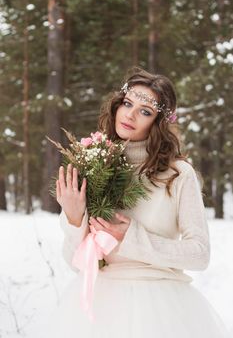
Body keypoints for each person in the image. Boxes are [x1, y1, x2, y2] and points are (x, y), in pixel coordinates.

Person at [44, 68, 231, 338]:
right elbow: (76, 263)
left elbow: (199, 254)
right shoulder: (95, 165)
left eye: (145, 111)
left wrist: (132, 237)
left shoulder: (178, 174)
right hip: (99, 307)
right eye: (128, 103)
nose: (130, 114)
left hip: (160, 307)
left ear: (158, 122)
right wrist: (74, 219)